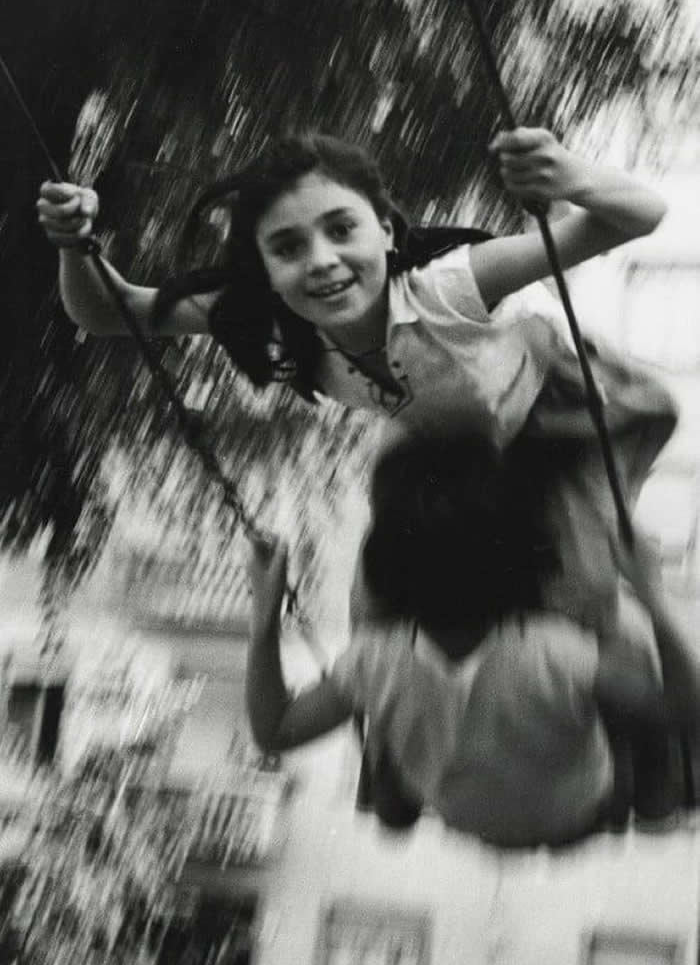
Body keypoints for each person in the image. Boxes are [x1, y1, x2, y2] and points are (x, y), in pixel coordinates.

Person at [37, 127, 677, 632]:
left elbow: (638, 215)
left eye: (341, 230)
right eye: (287, 248)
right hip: (445, 444)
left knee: (575, 592)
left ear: (387, 229)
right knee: (378, 607)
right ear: (263, 266)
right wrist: (76, 244)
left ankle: (635, 686)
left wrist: (577, 178)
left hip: (558, 422)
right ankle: (399, 754)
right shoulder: (269, 318)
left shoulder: (451, 286)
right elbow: (105, 312)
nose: (321, 262)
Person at [246, 434, 700, 850]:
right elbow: (688, 710)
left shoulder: (371, 658)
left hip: (462, 814)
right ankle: (657, 793)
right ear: (527, 563)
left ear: (386, 571)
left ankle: (390, 782)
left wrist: (265, 616)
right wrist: (652, 595)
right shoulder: (556, 653)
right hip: (575, 811)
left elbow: (274, 730)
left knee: (367, 636)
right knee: (629, 629)